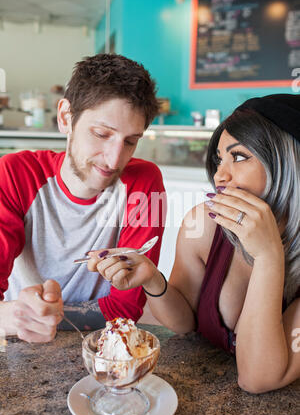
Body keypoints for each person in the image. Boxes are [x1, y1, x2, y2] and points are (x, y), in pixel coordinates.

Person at [88, 94, 300, 394]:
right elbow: (183, 322)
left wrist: (268, 256)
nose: (219, 176)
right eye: (218, 160)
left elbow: (256, 379)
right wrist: (151, 277)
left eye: (238, 157)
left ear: (290, 164)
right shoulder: (205, 226)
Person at [0, 53, 166, 343]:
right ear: (66, 117)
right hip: (18, 337)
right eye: (102, 134)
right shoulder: (15, 175)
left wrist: (52, 315)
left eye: (130, 141)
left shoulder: (144, 182)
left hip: (102, 347)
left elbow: (125, 307)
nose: (115, 160)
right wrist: (15, 315)